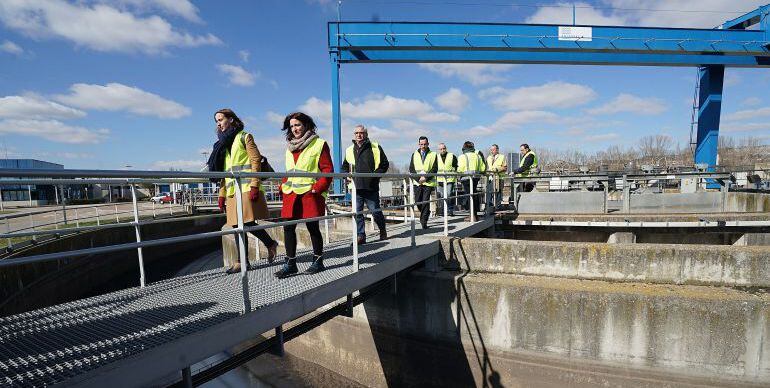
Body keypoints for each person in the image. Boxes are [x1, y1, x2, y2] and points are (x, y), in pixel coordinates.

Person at [212, 108, 278, 274]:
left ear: (231, 120)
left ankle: (258, 251)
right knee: (235, 225)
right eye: (216, 121)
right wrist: (221, 194)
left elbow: (256, 160)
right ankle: (244, 260)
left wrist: (255, 184)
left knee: (246, 223)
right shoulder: (221, 145)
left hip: (247, 187)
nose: (219, 123)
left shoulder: (244, 136)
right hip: (232, 190)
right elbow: (224, 171)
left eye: (221, 119)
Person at [275, 112, 333, 278]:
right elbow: (290, 170)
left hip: (309, 193)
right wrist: (282, 185)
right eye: (292, 126)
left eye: (298, 125)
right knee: (288, 228)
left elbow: (327, 170)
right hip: (290, 193)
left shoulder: (319, 144)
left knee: (312, 227)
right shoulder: (289, 147)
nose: (294, 129)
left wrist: (317, 188)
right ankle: (290, 264)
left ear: (306, 125)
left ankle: (318, 261)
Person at [342, 124, 390, 244]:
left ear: (366, 134)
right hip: (356, 187)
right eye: (357, 133)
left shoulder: (375, 147)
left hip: (371, 186)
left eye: (361, 133)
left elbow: (384, 164)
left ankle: (382, 230)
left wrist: (375, 176)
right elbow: (344, 167)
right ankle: (361, 236)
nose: (359, 135)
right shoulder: (349, 150)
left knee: (375, 211)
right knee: (358, 213)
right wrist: (346, 175)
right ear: (354, 135)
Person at [408, 136, 437, 229]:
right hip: (417, 182)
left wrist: (425, 178)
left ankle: (423, 221)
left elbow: (434, 169)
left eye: (425, 144)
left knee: (425, 202)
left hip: (428, 183)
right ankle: (426, 213)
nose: (423, 146)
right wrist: (418, 179)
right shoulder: (414, 154)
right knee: (418, 202)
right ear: (419, 144)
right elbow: (411, 169)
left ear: (428, 144)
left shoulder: (433, 154)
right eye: (421, 144)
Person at [457, 140, 486, 214]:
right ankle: (476, 212)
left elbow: (460, 169)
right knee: (474, 193)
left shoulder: (462, 156)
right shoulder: (478, 156)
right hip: (475, 177)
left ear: (464, 147)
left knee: (469, 195)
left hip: (466, 178)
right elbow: (482, 168)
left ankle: (472, 215)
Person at [436, 143, 458, 216]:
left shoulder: (451, 156)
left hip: (449, 179)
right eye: (441, 149)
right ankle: (442, 210)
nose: (443, 150)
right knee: (441, 195)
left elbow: (456, 166)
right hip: (440, 180)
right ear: (439, 150)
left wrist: (455, 174)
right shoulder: (436, 157)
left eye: (444, 148)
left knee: (449, 194)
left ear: (446, 148)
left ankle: (450, 210)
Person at [486, 144, 508, 212]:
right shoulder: (488, 158)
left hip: (499, 178)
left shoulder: (502, 157)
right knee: (489, 192)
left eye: (493, 149)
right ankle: (489, 206)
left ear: (497, 150)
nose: (492, 151)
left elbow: (505, 168)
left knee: (498, 192)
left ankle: (498, 206)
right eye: (491, 150)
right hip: (490, 178)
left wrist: (497, 169)